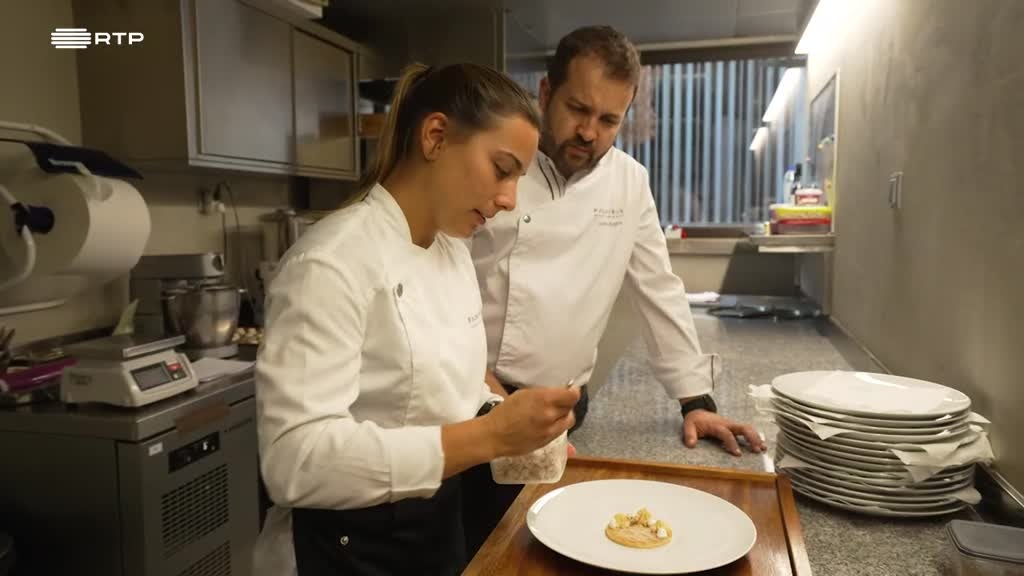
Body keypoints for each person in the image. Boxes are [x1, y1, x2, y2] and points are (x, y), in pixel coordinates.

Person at [252, 62, 581, 576]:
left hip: (430, 532)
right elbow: (295, 460)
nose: (509, 200)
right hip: (345, 550)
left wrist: (519, 426)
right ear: (435, 136)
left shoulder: (451, 251)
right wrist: (491, 436)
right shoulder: (332, 260)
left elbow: (454, 381)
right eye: (502, 168)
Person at [463, 26, 767, 553]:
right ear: (545, 94)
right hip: (473, 400)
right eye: (578, 109)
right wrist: (486, 397)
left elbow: (659, 288)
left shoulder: (629, 182)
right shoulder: (499, 166)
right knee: (478, 549)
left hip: (562, 407)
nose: (589, 132)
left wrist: (695, 399)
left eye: (609, 120)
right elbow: (445, 286)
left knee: (545, 550)